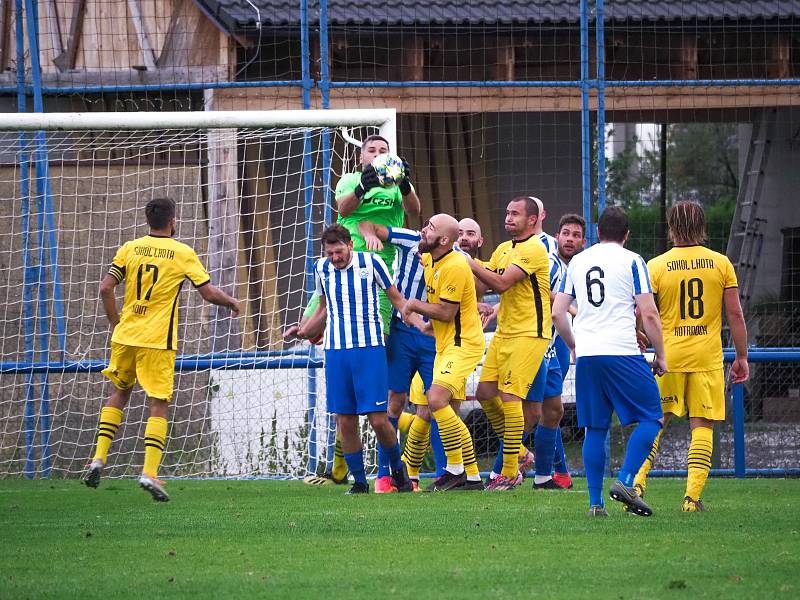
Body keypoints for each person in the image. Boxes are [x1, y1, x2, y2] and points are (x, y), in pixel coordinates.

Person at [83, 198, 240, 502]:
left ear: (147, 221)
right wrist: (231, 301)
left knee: (119, 392)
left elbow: (105, 288)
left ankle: (98, 458)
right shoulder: (182, 252)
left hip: (126, 336)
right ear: (173, 221)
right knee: (158, 403)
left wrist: (117, 322)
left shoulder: (130, 248)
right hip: (157, 341)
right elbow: (207, 293)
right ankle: (149, 472)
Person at [289, 135, 421, 486]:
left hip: (375, 284)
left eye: (383, 151)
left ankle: (391, 470)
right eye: (371, 151)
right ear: (361, 157)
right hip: (338, 315)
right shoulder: (349, 181)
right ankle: (349, 474)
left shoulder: (394, 188)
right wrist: (365, 184)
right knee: (312, 334)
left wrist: (403, 181)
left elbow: (415, 212)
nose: (378, 155)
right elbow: (345, 209)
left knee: (379, 411)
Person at [632, 200, 749, 512]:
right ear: (703, 228)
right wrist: (742, 356)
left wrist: (638, 331)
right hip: (706, 358)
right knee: (702, 425)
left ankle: (637, 482)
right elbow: (735, 315)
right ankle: (691, 499)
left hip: (667, 356)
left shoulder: (655, 265)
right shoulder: (721, 263)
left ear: (671, 228)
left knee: (655, 422)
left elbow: (642, 309)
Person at [552, 206, 666, 517]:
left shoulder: (577, 261)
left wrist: (575, 345)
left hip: (589, 354)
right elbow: (650, 312)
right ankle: (627, 481)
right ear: (626, 235)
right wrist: (662, 353)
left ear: (596, 234)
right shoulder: (633, 261)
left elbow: (558, 312)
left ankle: (595, 504)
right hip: (622, 351)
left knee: (596, 428)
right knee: (652, 417)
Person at [293, 224, 413, 494]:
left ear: (349, 245)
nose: (335, 258)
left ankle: (397, 470)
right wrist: (303, 331)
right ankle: (359, 482)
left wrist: (415, 319)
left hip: (369, 348)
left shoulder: (372, 262)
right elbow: (324, 307)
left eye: (338, 251)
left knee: (378, 419)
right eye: (330, 253)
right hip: (336, 352)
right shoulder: (321, 268)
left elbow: (396, 298)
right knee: (344, 420)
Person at [467, 197, 552, 491]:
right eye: (507, 213)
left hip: (531, 334)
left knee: (511, 398)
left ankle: (509, 470)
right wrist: (452, 259)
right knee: (485, 393)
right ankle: (519, 453)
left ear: (532, 219)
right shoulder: (504, 249)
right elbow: (483, 281)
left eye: (515, 214)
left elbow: (501, 284)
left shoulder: (535, 249)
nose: (508, 217)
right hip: (506, 332)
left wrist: (469, 262)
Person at [401, 214, 486, 491]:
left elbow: (447, 312)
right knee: (433, 407)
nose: (424, 231)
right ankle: (470, 477)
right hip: (442, 344)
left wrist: (413, 304)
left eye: (430, 228)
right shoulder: (432, 258)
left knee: (434, 400)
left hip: (463, 344)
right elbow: (413, 246)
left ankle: (455, 469)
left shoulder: (456, 265)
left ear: (445, 240)